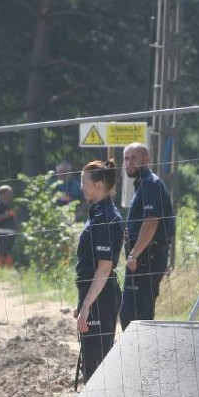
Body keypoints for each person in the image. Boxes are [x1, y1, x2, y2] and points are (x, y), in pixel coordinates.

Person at [75, 160, 123, 384]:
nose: (81, 186)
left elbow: (104, 267)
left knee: (96, 363)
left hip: (101, 296)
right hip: (94, 292)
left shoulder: (105, 218)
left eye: (84, 182)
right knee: (91, 358)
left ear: (98, 184)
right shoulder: (97, 213)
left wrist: (86, 306)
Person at [119, 142, 175, 330]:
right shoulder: (142, 184)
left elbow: (151, 223)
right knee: (135, 310)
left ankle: (139, 354)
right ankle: (138, 353)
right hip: (145, 255)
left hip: (147, 257)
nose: (129, 163)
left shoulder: (150, 183)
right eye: (126, 159)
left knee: (134, 312)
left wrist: (134, 254)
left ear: (147, 159)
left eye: (134, 158)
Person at [0, 185, 18, 268]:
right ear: (3, 194)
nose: (11, 195)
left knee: (5, 253)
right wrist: (4, 216)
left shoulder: (7, 204)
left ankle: (7, 270)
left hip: (7, 234)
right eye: (10, 193)